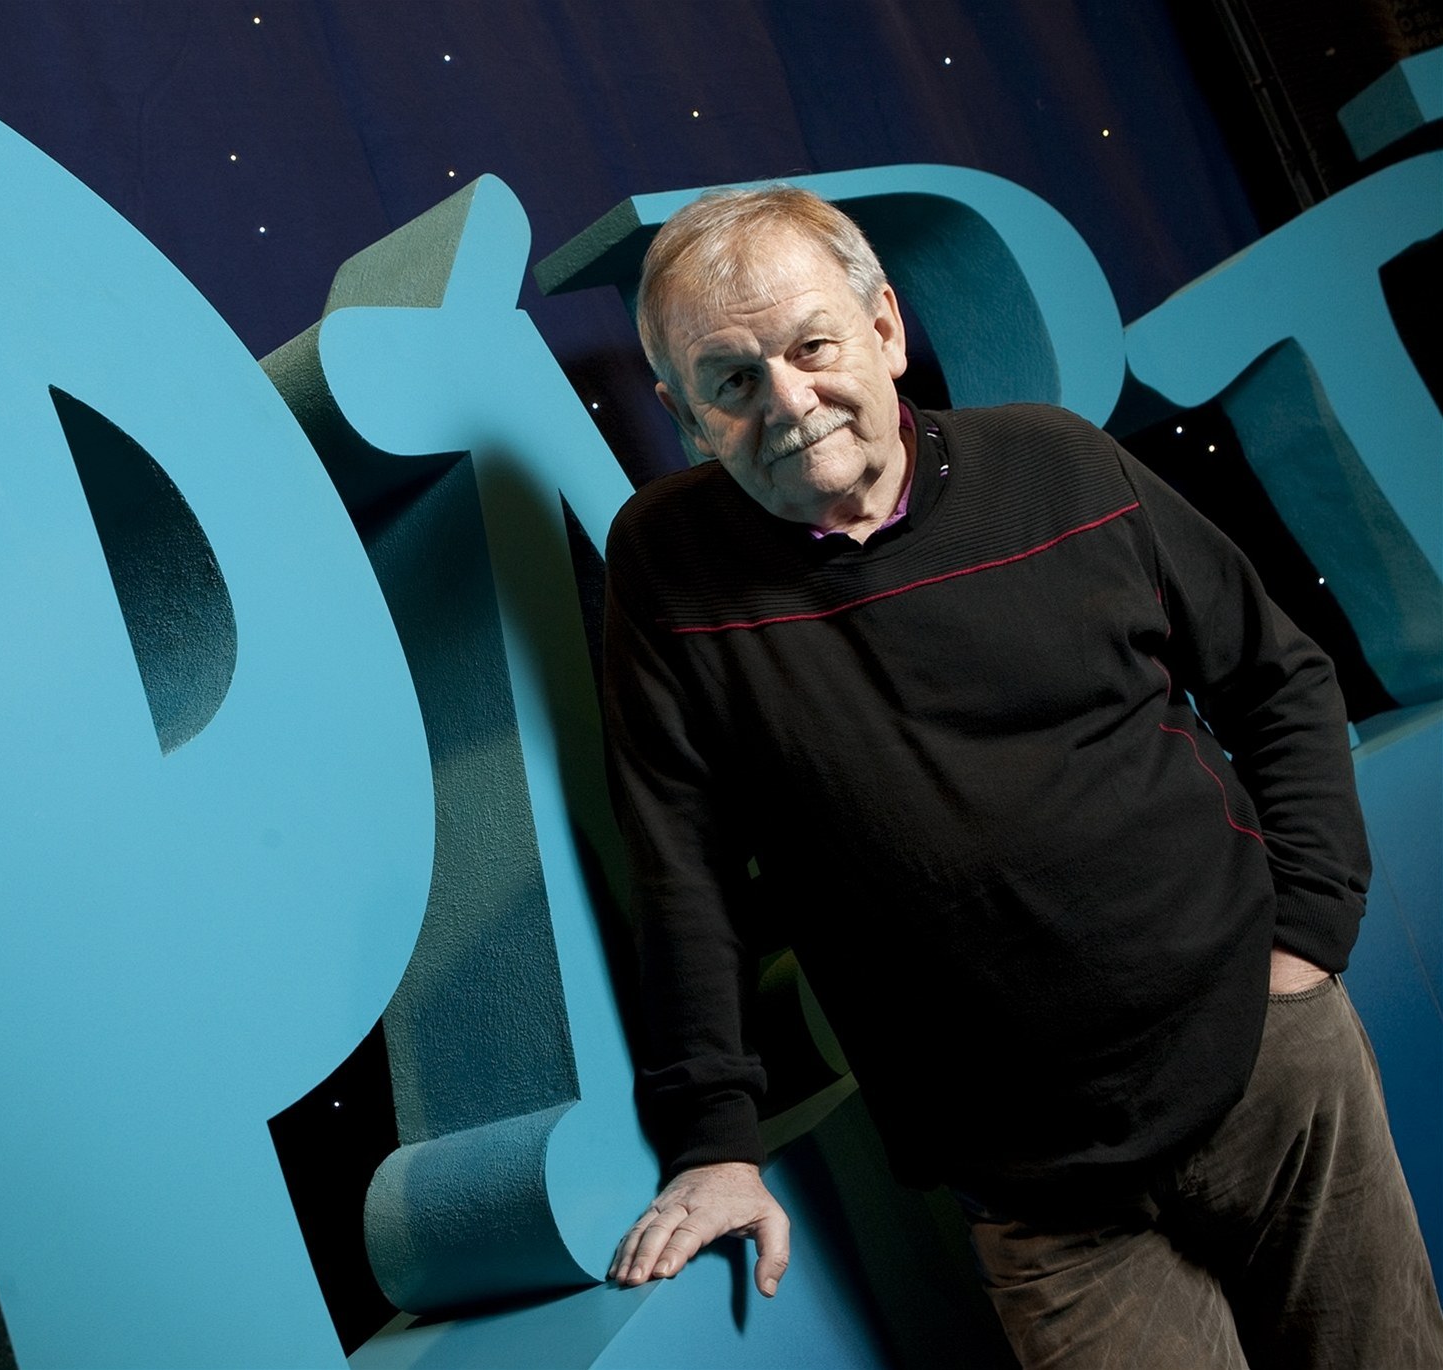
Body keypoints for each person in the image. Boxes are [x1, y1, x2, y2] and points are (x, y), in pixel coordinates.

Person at [597, 185, 1442, 1368]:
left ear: (884, 327)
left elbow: (1276, 676)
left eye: (812, 346)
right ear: (685, 414)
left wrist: (1305, 938)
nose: (786, 401)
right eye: (732, 379)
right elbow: (682, 866)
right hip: (1031, 1185)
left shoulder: (1058, 463)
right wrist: (715, 1141)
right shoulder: (664, 566)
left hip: (1267, 1064)